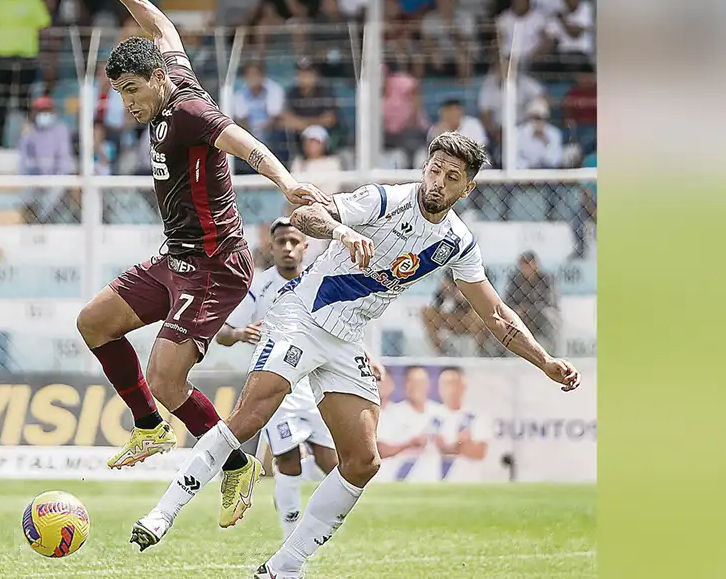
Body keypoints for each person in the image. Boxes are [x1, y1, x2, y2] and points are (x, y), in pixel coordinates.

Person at [129, 131, 582, 577]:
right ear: (425, 168)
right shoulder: (386, 200)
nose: (438, 182)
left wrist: (544, 361)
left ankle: (283, 567)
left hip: (347, 338)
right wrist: (341, 230)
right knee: (251, 416)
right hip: (303, 315)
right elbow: (305, 215)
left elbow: (496, 314)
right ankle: (163, 512)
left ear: (467, 188)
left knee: (364, 461)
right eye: (435, 170)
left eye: (452, 177)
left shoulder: (458, 242)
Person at [77, 0, 327, 483]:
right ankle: (149, 427)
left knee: (165, 379)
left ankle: (235, 466)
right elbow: (162, 27)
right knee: (94, 323)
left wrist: (287, 183)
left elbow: (244, 143)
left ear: (158, 78)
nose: (128, 103)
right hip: (177, 258)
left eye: (133, 89)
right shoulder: (173, 73)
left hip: (215, 266)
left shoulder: (190, 111)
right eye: (120, 92)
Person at [216, 217, 385, 540]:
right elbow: (222, 333)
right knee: (289, 460)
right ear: (271, 247)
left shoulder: (318, 280)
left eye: (294, 241)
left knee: (331, 462)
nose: (288, 248)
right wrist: (238, 334)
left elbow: (340, 326)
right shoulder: (259, 286)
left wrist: (367, 356)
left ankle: (296, 506)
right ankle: (290, 534)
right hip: (279, 388)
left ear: (306, 247)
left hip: (316, 384)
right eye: (281, 242)